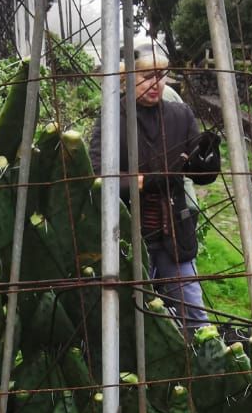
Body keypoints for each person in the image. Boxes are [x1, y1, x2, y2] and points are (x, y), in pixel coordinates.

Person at [94, 43, 221, 333]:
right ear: (128, 77)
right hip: (126, 237)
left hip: (174, 233)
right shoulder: (112, 117)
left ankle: (197, 372)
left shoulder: (180, 115)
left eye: (162, 75)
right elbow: (98, 175)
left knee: (196, 321)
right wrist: (145, 181)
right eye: (148, 76)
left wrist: (207, 162)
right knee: (126, 324)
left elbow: (196, 172)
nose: (157, 83)